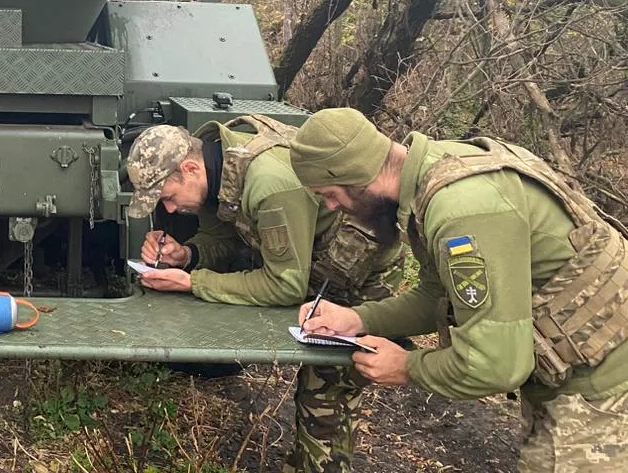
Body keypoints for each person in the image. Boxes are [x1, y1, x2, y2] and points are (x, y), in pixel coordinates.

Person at [285, 107, 628, 472]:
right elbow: (437, 297)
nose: (332, 207)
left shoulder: (461, 210)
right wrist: (356, 318)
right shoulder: (434, 174)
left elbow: (496, 364)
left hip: (604, 390)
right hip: (584, 369)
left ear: (354, 175)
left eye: (331, 194)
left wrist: (407, 366)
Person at [126, 116, 404, 473]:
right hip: (309, 261)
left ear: (190, 168)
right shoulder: (219, 167)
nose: (169, 209)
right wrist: (188, 255)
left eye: (167, 196)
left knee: (326, 389)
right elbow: (225, 240)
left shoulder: (268, 184)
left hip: (358, 269)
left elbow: (284, 285)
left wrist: (194, 282)